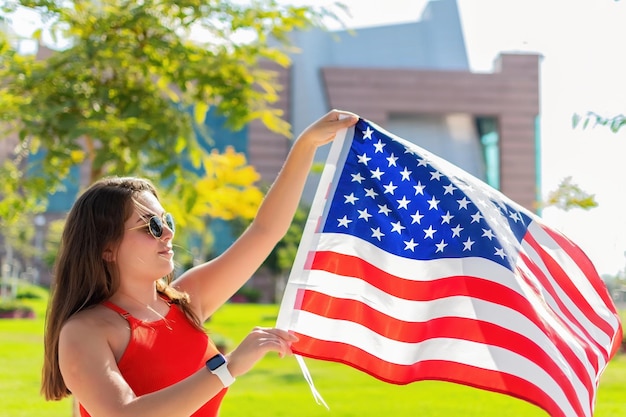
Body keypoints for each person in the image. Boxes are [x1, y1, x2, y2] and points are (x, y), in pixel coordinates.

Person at [40, 110, 359, 417]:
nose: (166, 233)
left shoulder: (187, 300)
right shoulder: (84, 331)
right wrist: (228, 367)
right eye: (150, 226)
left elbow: (265, 231)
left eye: (166, 221)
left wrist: (306, 146)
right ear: (106, 248)